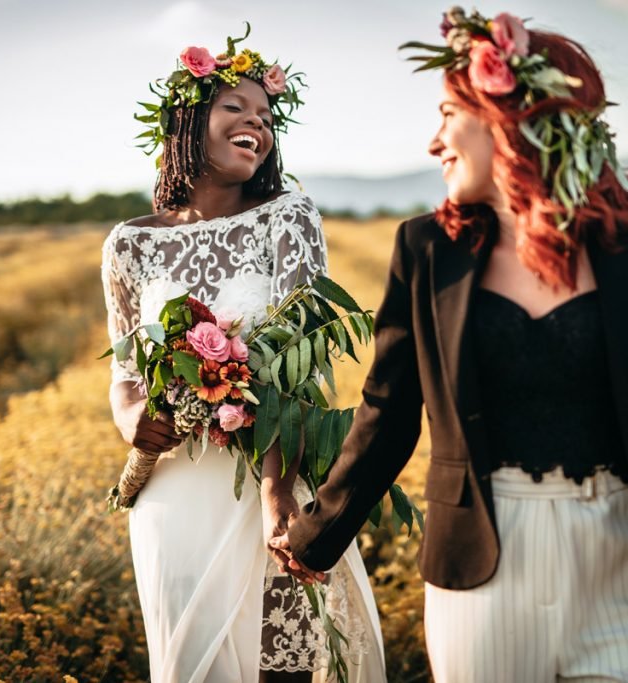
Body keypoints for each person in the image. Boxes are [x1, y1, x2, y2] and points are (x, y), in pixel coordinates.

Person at [270, 7, 628, 682]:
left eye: (448, 113)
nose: (434, 142)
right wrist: (315, 536)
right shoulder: (426, 251)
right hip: (482, 572)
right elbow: (387, 411)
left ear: (512, 113)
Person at [100, 27, 386, 683]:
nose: (256, 122)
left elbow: (304, 366)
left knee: (284, 665)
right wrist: (131, 420)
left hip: (271, 480)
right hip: (172, 494)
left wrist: (276, 490)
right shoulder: (127, 245)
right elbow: (123, 374)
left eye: (266, 116)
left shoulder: (289, 214)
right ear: (187, 119)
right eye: (237, 107)